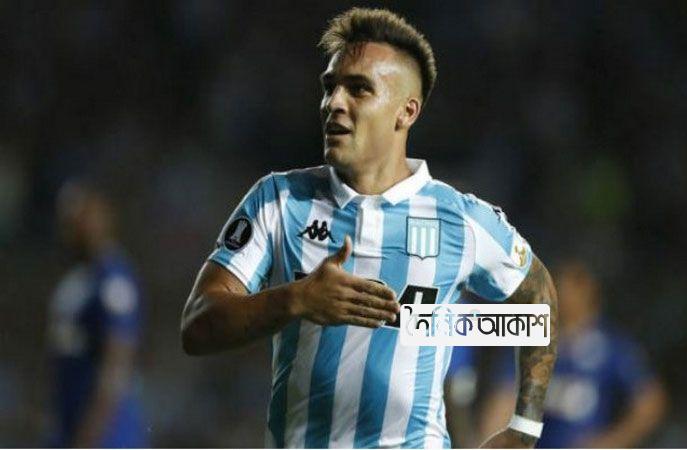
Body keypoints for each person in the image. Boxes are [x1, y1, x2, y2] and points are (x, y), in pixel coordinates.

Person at [181, 7, 557, 448]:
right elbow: (197, 326)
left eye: (358, 89)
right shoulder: (279, 200)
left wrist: (524, 427)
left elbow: (537, 301)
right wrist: (296, 299)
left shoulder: (461, 219)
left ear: (406, 112)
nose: (334, 103)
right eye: (330, 87)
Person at [461, 260, 666, 448]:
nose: (561, 295)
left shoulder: (612, 347)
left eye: (569, 288)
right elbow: (503, 399)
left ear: (589, 293)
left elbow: (649, 403)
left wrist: (609, 443)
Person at [47, 182, 147, 447]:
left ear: (103, 217)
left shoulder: (114, 279)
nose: (74, 224)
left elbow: (117, 361)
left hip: (106, 435)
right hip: (69, 423)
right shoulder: (76, 279)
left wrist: (90, 435)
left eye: (83, 215)